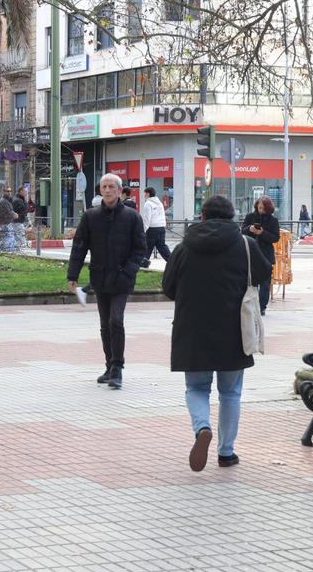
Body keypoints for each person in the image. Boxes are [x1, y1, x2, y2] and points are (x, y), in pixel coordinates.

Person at [162, 194, 272, 472]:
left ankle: (202, 429)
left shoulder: (184, 247)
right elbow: (262, 273)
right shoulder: (244, 244)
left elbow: (168, 287)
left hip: (192, 328)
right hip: (233, 329)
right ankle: (226, 452)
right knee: (231, 393)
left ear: (202, 216)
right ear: (232, 217)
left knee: (197, 388)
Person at [67, 173, 147, 389]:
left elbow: (140, 249)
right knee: (104, 324)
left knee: (116, 321)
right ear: (100, 190)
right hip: (100, 277)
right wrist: (73, 275)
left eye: (112, 186)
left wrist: (129, 271)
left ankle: (117, 367)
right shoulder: (91, 217)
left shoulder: (132, 217)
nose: (108, 190)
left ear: (120, 190)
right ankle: (108, 365)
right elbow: (80, 246)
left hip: (122, 279)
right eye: (104, 186)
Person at [241, 196, 281, 317]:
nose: (261, 210)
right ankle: (250, 305)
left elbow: (275, 237)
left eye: (263, 208)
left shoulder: (273, 220)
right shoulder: (250, 217)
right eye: (259, 208)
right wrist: (250, 229)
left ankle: (262, 306)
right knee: (250, 281)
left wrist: (262, 233)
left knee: (265, 283)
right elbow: (242, 231)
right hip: (250, 254)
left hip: (266, 254)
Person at [140, 186, 172, 267]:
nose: (144, 195)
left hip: (152, 229)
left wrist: (143, 231)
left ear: (148, 194)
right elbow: (162, 215)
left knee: (147, 246)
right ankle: (173, 262)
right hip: (161, 227)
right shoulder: (160, 203)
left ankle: (144, 263)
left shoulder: (148, 204)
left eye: (145, 193)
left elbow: (147, 219)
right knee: (162, 247)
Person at [0, 187, 18, 252]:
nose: (9, 193)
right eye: (7, 191)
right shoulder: (3, 201)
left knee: (5, 239)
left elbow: (9, 211)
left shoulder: (6, 201)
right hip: (5, 224)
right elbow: (8, 212)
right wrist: (14, 215)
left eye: (10, 191)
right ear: (4, 192)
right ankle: (7, 251)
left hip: (6, 223)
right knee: (8, 238)